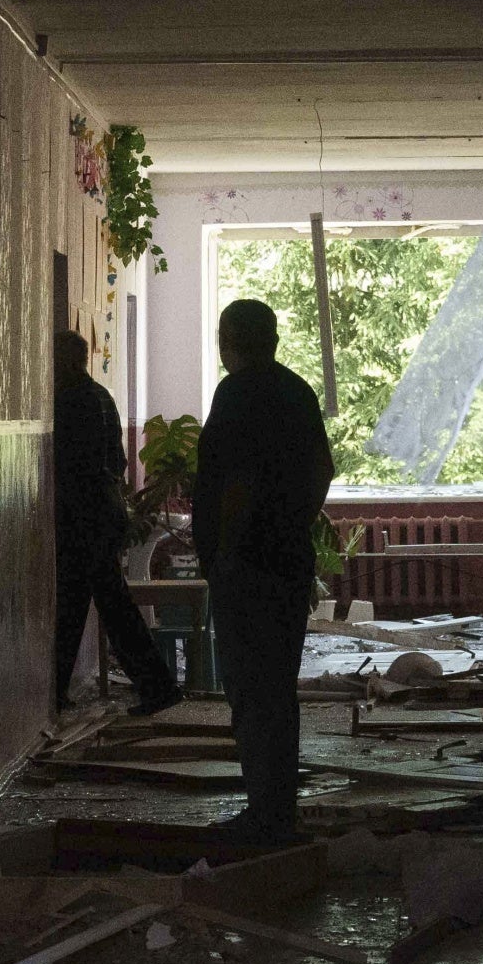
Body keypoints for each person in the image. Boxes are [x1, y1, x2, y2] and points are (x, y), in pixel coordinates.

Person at [192, 298, 334, 848]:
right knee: (278, 688)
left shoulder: (237, 394)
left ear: (230, 340)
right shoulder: (297, 391)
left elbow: (237, 485)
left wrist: (228, 551)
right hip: (287, 561)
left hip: (246, 567)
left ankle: (264, 815)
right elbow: (322, 468)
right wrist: (293, 522)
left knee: (250, 692)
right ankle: (279, 811)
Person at [52, 329, 181, 718]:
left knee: (106, 605)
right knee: (84, 604)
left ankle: (158, 686)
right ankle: (59, 692)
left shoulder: (69, 401)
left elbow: (75, 467)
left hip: (84, 516)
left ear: (62, 362)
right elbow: (120, 463)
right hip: (105, 512)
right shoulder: (102, 397)